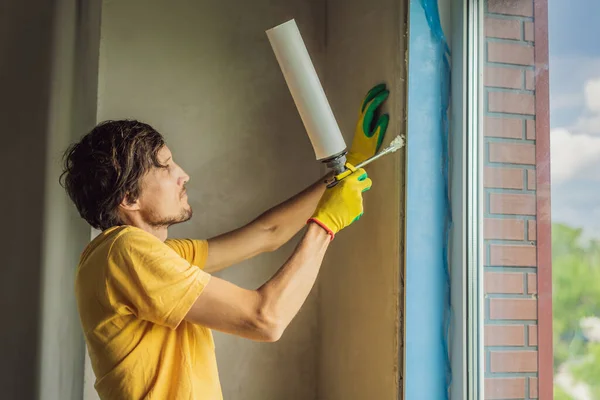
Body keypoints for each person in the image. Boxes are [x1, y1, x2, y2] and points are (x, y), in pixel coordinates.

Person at [61, 84, 390, 400]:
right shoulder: (124, 252)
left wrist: (347, 171)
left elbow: (267, 233)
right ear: (129, 197)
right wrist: (325, 226)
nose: (183, 174)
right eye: (165, 168)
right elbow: (265, 319)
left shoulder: (147, 258)